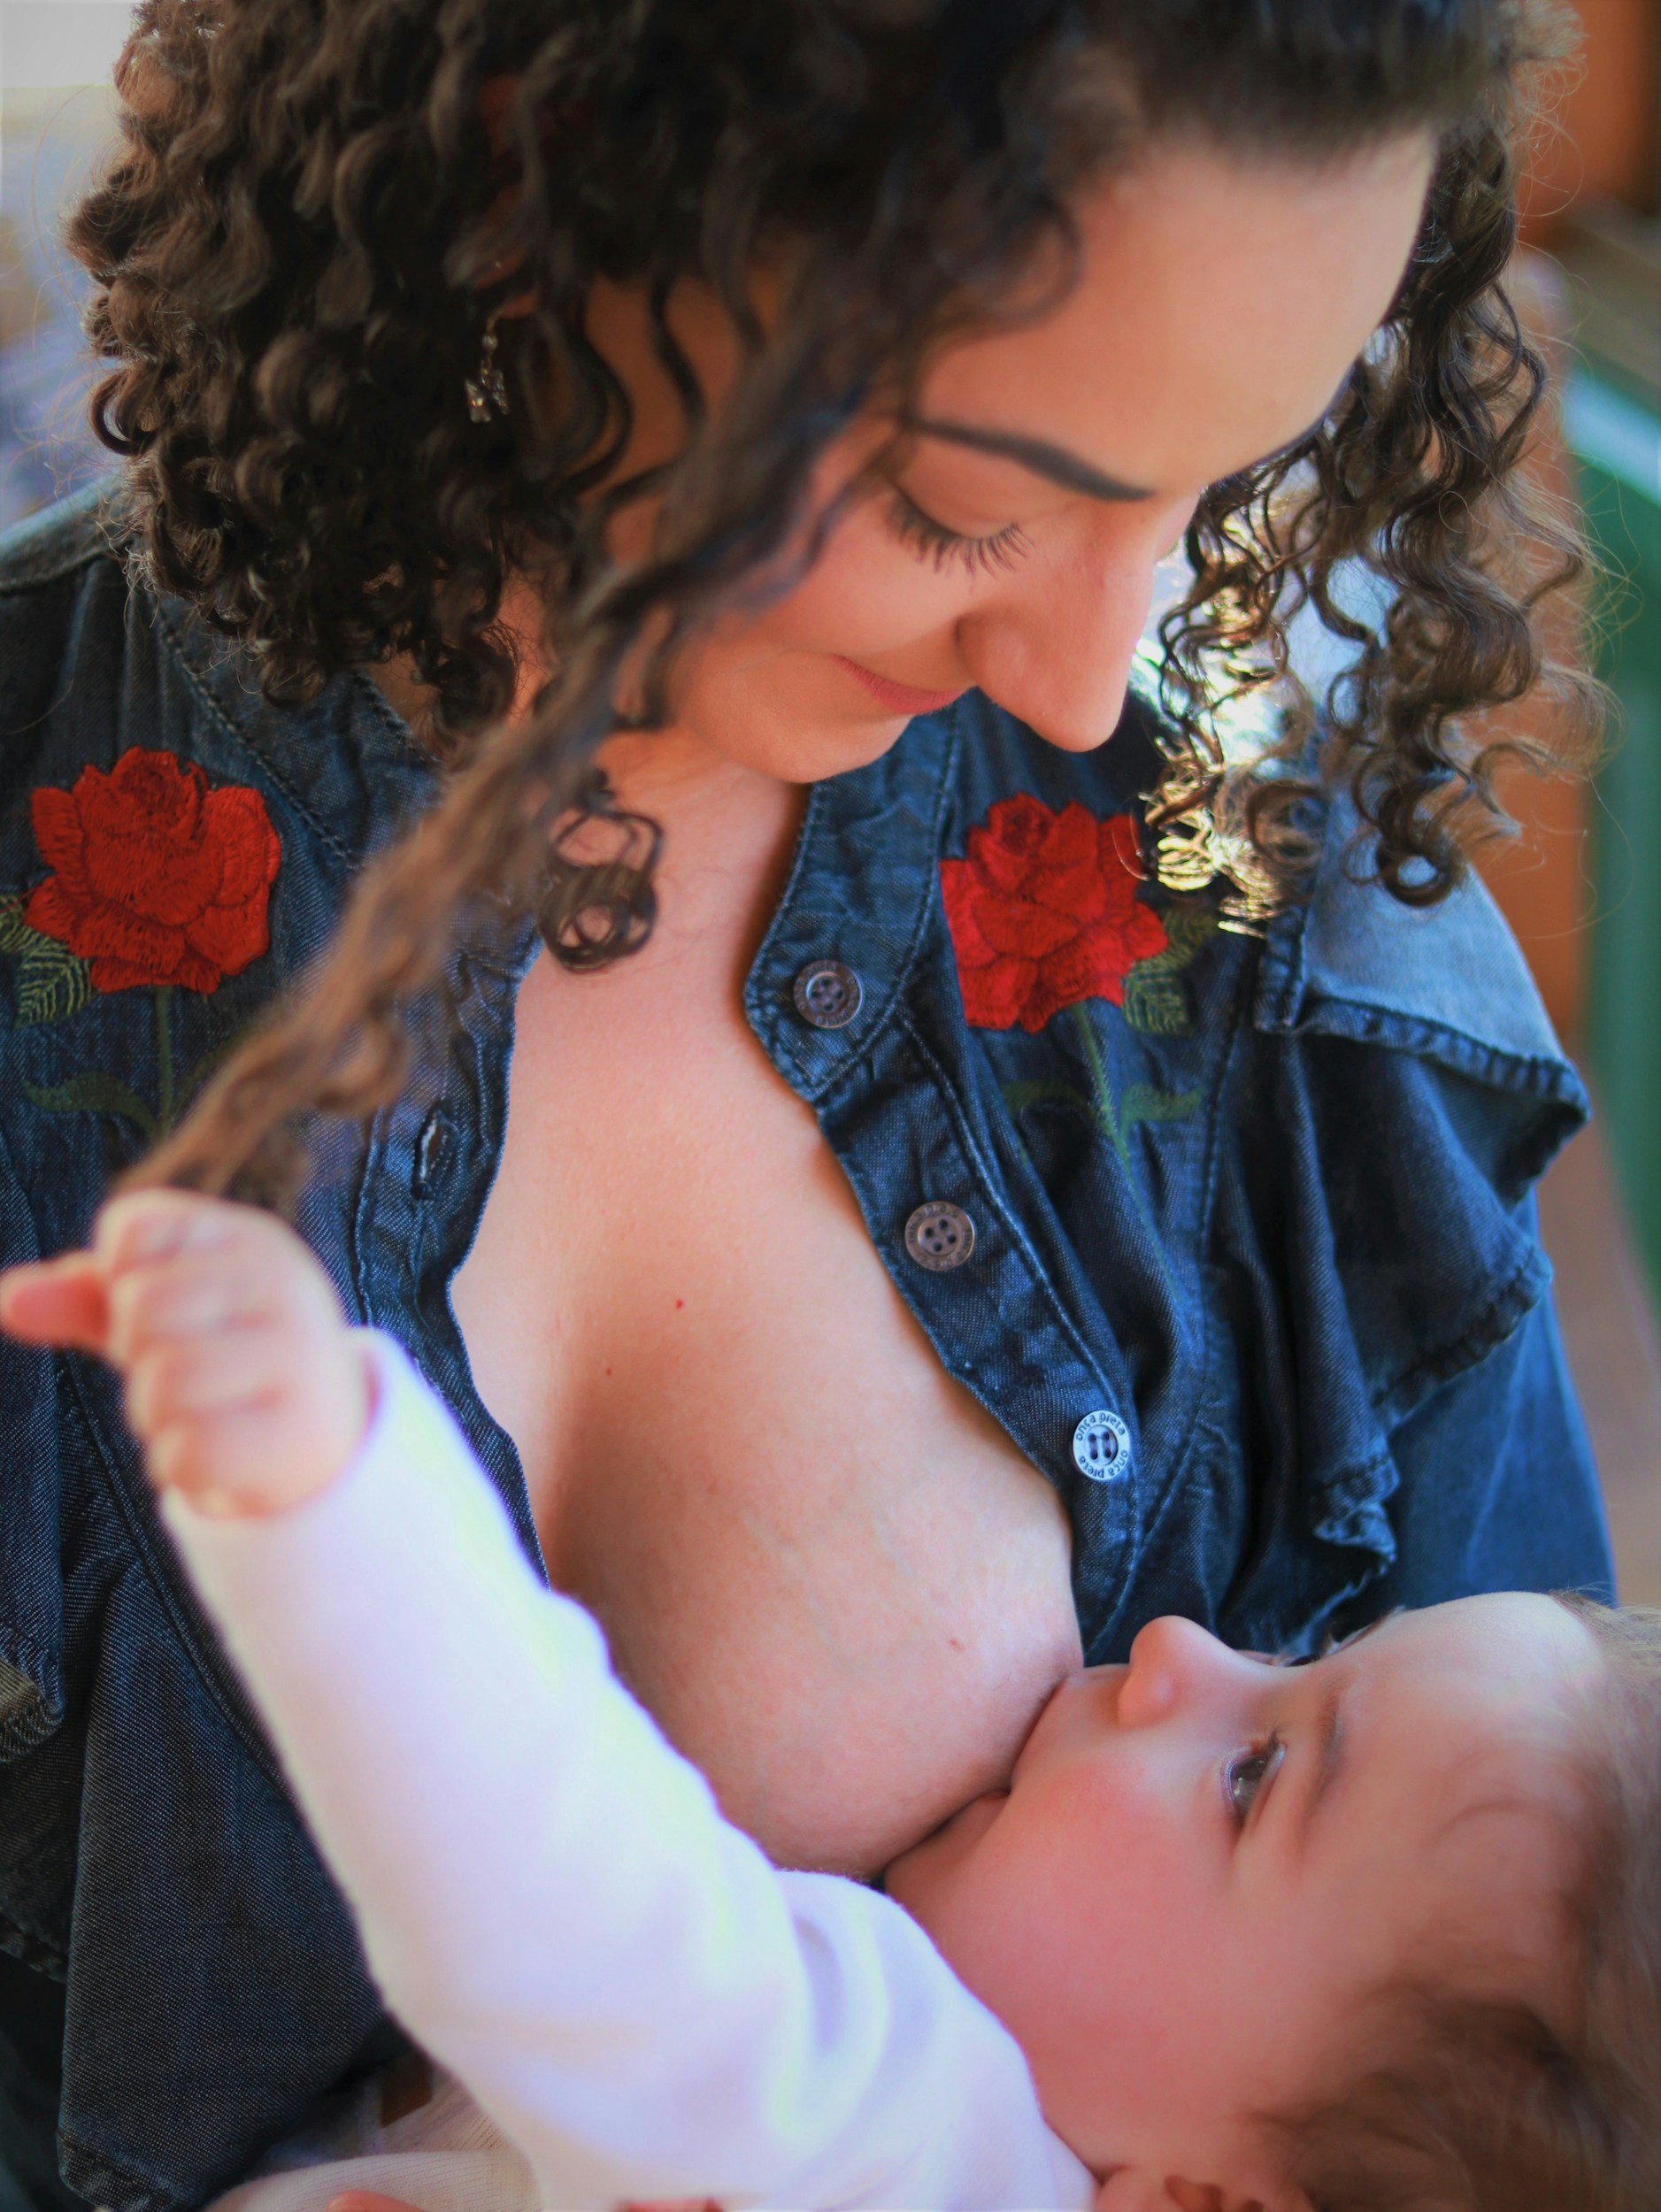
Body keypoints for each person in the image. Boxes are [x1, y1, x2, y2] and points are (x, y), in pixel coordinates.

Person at [0, 3, 1614, 2205]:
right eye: (971, 508)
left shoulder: (1257, 918)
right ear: (530, 173)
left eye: (1226, 476)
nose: (1090, 680)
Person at [4, 1187, 1659, 2212]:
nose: (1186, 1650)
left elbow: (575, 1906)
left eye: (1254, 1777)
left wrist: (331, 1486)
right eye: (1300, 1655)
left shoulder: (907, 2136)